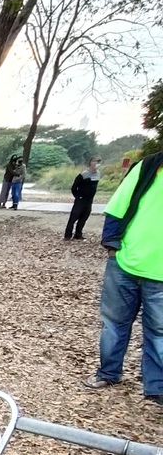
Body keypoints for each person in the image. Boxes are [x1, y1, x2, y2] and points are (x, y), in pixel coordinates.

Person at [84, 151, 163, 406]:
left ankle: (156, 388)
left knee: (159, 332)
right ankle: (108, 372)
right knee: (114, 324)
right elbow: (117, 208)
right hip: (126, 263)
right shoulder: (148, 168)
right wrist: (113, 246)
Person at [64, 157, 101, 240]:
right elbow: (74, 187)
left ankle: (78, 234)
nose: (97, 163)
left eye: (99, 161)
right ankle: (67, 235)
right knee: (74, 217)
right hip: (81, 199)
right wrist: (78, 197)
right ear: (90, 162)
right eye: (95, 161)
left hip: (89, 200)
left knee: (84, 217)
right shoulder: (84, 174)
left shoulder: (98, 174)